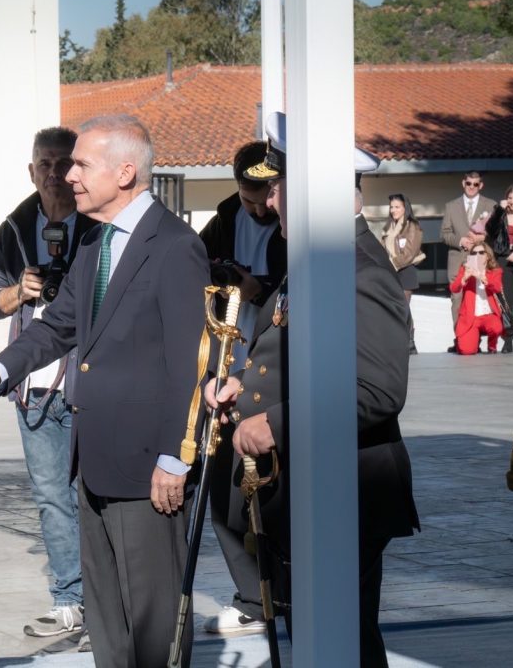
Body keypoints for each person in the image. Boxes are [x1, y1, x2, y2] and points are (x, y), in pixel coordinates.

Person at [0, 115, 208, 668]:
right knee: (107, 626)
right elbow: (57, 327)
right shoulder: (97, 240)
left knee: (153, 627)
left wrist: (176, 458)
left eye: (81, 164)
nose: (67, 175)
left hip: (149, 470)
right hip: (95, 462)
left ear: (125, 172)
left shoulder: (174, 247)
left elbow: (188, 365)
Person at [207, 137, 419, 668]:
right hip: (305, 488)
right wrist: (242, 389)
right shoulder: (317, 263)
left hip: (346, 488)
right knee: (317, 636)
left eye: (280, 189)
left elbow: (378, 390)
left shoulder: (361, 271)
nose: (270, 201)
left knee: (343, 641)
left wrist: (278, 424)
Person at [0, 126, 98, 644]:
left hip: (90, 383)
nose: (53, 175)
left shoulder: (100, 223)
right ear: (32, 171)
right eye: (43, 165)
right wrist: (15, 294)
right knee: (51, 496)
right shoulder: (15, 227)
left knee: (95, 497)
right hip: (35, 386)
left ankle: (107, 605)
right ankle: (69, 600)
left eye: (61, 164)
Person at [198, 139, 286, 636]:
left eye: (265, 197)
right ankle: (251, 595)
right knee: (222, 489)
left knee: (272, 491)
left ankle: (280, 590)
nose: (259, 209)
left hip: (273, 367)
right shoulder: (222, 222)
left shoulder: (293, 225)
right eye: (249, 198)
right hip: (227, 366)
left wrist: (261, 290)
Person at [440, 171, 497, 351]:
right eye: (468, 183)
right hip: (458, 258)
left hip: (481, 258)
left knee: (481, 298)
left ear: (481, 185)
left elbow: (497, 233)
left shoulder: (491, 205)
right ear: (463, 183)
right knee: (457, 299)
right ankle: (460, 338)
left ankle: (478, 338)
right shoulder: (451, 206)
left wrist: (482, 238)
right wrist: (460, 241)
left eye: (475, 184)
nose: (471, 187)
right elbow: (444, 233)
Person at [484, 183, 513, 352]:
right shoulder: (500, 215)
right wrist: (498, 211)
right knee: (506, 301)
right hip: (503, 261)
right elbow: (489, 230)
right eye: (509, 197)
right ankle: (508, 339)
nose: (511, 201)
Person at [381, 193, 424, 355]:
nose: (393, 210)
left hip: (405, 271)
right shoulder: (388, 227)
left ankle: (410, 342)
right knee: (395, 307)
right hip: (392, 272)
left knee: (403, 307)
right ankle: (400, 340)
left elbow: (410, 253)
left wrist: (392, 264)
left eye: (397, 207)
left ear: (405, 208)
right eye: (391, 207)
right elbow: (382, 249)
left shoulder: (412, 226)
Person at [449, 241, 503, 355]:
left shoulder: (495, 271)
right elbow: (454, 288)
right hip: (471, 317)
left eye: (481, 253)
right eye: (473, 253)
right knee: (466, 351)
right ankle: (472, 339)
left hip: (489, 315)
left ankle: (492, 345)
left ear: (487, 256)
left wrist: (482, 277)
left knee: (496, 327)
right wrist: (464, 278)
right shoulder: (465, 270)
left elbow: (497, 287)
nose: (477, 255)